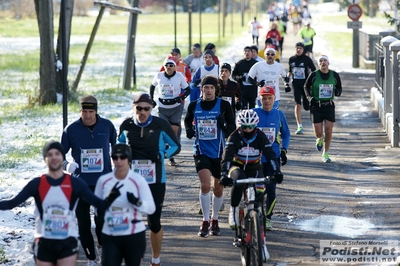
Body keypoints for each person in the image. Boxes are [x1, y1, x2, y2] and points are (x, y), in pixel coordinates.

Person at [0, 140, 122, 266]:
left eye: (57, 154)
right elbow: (11, 204)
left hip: (67, 241)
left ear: (62, 157)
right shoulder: (36, 184)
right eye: (50, 154)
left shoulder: (75, 183)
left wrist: (113, 196)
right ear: (45, 159)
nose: (54, 157)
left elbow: (99, 204)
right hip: (44, 241)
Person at [118, 92, 180, 266]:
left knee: (154, 222)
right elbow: (119, 146)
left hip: (156, 180)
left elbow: (176, 146)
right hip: (132, 181)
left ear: (152, 109)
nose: (143, 112)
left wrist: (163, 155)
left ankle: (155, 260)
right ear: (134, 108)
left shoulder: (161, 124)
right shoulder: (126, 125)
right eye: (139, 108)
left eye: (146, 108)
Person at [219, 109, 282, 262]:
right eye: (244, 126)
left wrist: (276, 172)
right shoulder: (234, 137)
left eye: (250, 127)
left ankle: (262, 244)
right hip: (237, 166)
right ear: (239, 125)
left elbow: (270, 155)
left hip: (255, 168)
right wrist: (223, 174)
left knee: (260, 199)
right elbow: (226, 157)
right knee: (238, 180)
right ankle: (233, 210)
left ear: (255, 125)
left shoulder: (260, 136)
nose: (247, 130)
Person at [61, 95, 117, 265]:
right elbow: (56, 156)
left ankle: (101, 244)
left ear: (96, 111)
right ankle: (91, 258)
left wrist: (118, 168)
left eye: (91, 111)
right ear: (80, 111)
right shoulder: (71, 130)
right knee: (83, 223)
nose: (87, 115)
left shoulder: (107, 126)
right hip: (80, 184)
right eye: (84, 111)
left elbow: (117, 149)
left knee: (101, 219)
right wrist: (67, 165)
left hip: (102, 183)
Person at [184, 75, 236, 238]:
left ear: (216, 90)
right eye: (205, 87)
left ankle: (215, 219)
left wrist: (223, 125)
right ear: (201, 90)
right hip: (201, 150)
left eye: (211, 88)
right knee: (205, 185)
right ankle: (205, 221)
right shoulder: (194, 105)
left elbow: (232, 129)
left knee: (218, 188)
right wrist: (189, 131)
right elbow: (187, 121)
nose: (208, 90)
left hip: (219, 153)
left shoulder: (224, 105)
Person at [94, 144, 156, 266]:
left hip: (133, 234)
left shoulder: (138, 180)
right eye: (115, 158)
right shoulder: (104, 180)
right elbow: (97, 210)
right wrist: (108, 200)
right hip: (111, 234)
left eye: (122, 157)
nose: (119, 161)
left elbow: (151, 208)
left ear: (129, 159)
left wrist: (137, 202)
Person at [254, 86, 290, 230]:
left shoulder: (279, 114)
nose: (267, 101)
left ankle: (268, 218)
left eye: (269, 98)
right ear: (259, 99)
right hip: (255, 158)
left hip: (272, 157)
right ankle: (255, 215)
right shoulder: (254, 113)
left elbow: (286, 134)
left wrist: (284, 150)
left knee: (271, 189)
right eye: (264, 98)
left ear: (274, 99)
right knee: (257, 189)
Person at [150, 58, 190, 166]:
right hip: (162, 107)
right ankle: (163, 152)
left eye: (171, 66)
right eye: (167, 66)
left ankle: (172, 153)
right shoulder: (159, 75)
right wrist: (151, 99)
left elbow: (188, 89)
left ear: (174, 67)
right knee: (163, 131)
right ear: (164, 67)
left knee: (174, 130)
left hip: (175, 107)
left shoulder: (179, 76)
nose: (169, 68)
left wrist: (181, 98)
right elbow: (152, 86)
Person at [304, 55, 342, 163]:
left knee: (329, 131)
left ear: (328, 63)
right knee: (319, 132)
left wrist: (338, 92)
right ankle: (319, 139)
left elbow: (339, 87)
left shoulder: (334, 75)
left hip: (329, 105)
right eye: (320, 61)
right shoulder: (313, 75)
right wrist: (309, 97)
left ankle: (325, 153)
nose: (323, 62)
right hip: (316, 105)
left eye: (325, 60)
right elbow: (305, 87)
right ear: (318, 64)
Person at [287, 42, 316, 134]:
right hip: (296, 84)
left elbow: (314, 70)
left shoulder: (307, 59)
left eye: (300, 48)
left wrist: (312, 81)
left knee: (307, 106)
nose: (298, 50)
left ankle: (314, 121)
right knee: (297, 104)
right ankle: (299, 126)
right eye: (297, 48)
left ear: (303, 50)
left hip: (306, 85)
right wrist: (287, 76)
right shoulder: (291, 59)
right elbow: (290, 71)